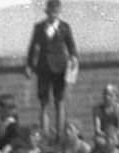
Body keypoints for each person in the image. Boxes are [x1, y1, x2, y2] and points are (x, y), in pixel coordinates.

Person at [25, 0, 78, 142]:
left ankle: (59, 134)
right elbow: (32, 47)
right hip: (43, 68)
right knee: (43, 102)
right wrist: (29, 65)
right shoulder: (39, 27)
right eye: (50, 11)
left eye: (56, 11)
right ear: (47, 12)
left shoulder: (65, 27)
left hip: (60, 68)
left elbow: (72, 47)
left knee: (59, 101)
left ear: (59, 12)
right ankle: (45, 134)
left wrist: (73, 58)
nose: (53, 14)